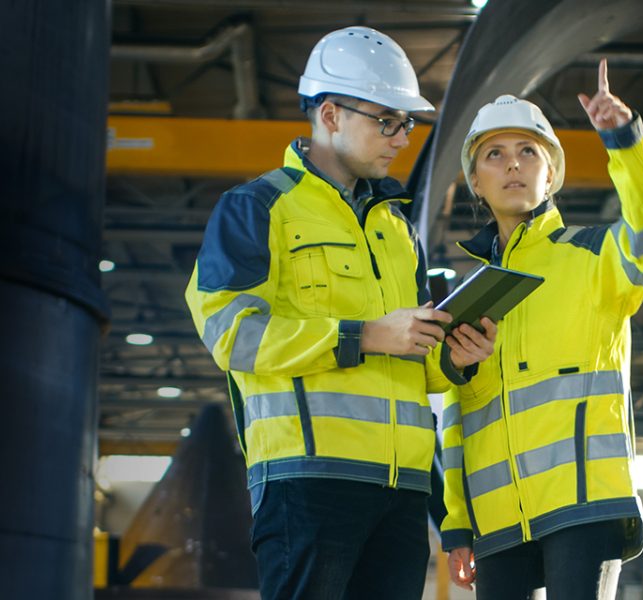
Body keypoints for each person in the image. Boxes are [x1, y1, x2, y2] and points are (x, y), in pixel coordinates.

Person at [184, 26, 497, 600]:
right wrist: (363, 335)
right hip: (307, 481)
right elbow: (233, 335)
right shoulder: (256, 208)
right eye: (387, 121)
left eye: (407, 123)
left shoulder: (397, 230)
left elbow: (410, 362)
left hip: (399, 491)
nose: (402, 138)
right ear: (330, 114)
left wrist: (454, 361)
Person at [436, 60, 643, 599]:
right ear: (476, 181)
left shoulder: (594, 258)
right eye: (494, 155)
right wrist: (457, 525)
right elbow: (459, 421)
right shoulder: (468, 298)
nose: (513, 166)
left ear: (552, 174)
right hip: (498, 522)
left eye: (530, 152)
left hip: (585, 505)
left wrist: (623, 140)